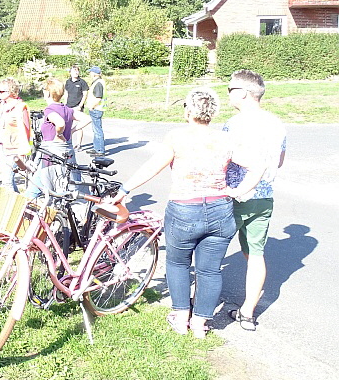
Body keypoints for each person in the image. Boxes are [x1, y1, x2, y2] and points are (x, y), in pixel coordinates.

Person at [111, 88, 263, 339]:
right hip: (220, 209)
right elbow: (258, 165)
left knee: (178, 264)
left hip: (184, 209)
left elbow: (153, 166)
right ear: (212, 112)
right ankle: (200, 324)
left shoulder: (177, 137)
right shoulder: (226, 139)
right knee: (210, 270)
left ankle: (181, 318)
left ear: (189, 111)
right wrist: (237, 191)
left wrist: (125, 189)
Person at [223, 69, 287, 332]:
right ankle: (247, 314)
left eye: (230, 89)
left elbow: (223, 158)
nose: (227, 94)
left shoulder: (234, 124)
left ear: (243, 93)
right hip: (263, 197)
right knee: (255, 255)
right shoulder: (277, 124)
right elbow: (279, 161)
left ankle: (199, 307)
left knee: (212, 252)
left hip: (234, 195)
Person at [27, 77, 91, 200]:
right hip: (66, 154)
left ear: (47, 93)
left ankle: (27, 208)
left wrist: (59, 134)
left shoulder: (50, 109)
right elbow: (87, 119)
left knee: (37, 189)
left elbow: (60, 123)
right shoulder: (67, 109)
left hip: (52, 156)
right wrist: (72, 130)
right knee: (57, 187)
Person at [0, 77, 31, 193]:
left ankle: (10, 204)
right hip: (3, 146)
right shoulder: (2, 105)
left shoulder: (20, 107)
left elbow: (26, 131)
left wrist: (22, 152)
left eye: (2, 91)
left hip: (14, 150)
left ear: (11, 92)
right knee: (9, 180)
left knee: (7, 182)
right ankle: (19, 202)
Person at [63, 65, 89, 150]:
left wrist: (80, 106)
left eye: (77, 71)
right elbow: (66, 94)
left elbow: (85, 95)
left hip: (77, 106)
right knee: (67, 125)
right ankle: (68, 142)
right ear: (70, 72)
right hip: (68, 106)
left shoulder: (82, 82)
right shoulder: (68, 82)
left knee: (79, 126)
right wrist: (65, 104)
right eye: (74, 71)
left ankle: (78, 144)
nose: (76, 72)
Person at [86, 66, 106, 156]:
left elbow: (98, 98)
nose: (90, 74)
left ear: (94, 74)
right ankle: (96, 148)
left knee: (97, 130)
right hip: (97, 109)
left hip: (96, 109)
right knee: (95, 129)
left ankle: (100, 150)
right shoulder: (98, 82)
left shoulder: (98, 83)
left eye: (91, 72)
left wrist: (92, 107)